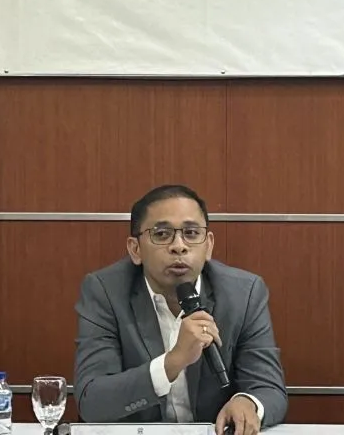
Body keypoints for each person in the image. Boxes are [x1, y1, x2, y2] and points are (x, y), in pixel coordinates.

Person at [74, 185, 287, 435]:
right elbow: (92, 401)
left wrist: (248, 402)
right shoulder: (106, 292)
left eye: (191, 233)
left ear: (208, 245)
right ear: (135, 249)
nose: (179, 246)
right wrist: (173, 362)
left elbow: (269, 389)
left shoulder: (244, 293)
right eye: (162, 234)